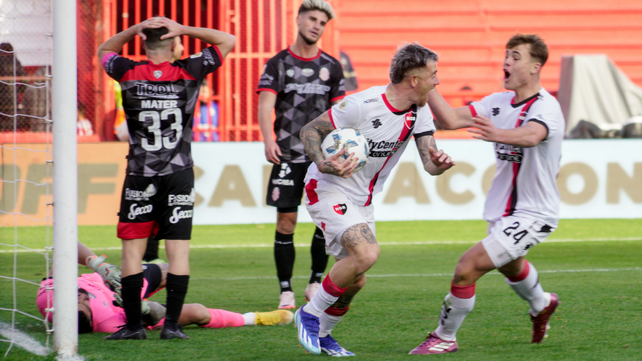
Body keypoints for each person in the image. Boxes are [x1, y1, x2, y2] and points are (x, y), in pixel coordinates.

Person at [294, 43, 455, 356]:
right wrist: (325, 162)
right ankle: (309, 315)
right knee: (367, 253)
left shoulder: (419, 112)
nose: (437, 82)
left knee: (355, 280)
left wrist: (440, 164)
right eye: (433, 75)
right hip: (327, 186)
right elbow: (309, 131)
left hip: (363, 199)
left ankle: (324, 335)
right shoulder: (362, 105)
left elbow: (429, 164)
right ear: (413, 80)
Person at [408, 34, 564, 355]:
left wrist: (498, 133)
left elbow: (533, 135)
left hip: (535, 213)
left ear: (535, 67)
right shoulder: (497, 102)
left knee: (467, 268)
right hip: (503, 211)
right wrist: (427, 81)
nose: (507, 61)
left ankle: (444, 337)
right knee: (511, 266)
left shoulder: (547, 107)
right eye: (506, 54)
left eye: (516, 56)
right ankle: (542, 303)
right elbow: (449, 119)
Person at [98, 17, 235, 340]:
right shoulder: (189, 70)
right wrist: (184, 28)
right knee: (179, 253)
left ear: (144, 43)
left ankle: (133, 327)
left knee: (132, 254)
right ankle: (172, 326)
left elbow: (104, 49)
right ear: (173, 43)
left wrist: (133, 31)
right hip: (178, 175)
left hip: (140, 175)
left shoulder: (127, 71)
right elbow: (227, 39)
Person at [257, 0, 345, 310]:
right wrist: (269, 139)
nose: (316, 26)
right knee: (286, 223)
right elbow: (266, 104)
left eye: (322, 22)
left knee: (324, 222)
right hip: (288, 154)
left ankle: (314, 282)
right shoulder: (278, 63)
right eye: (312, 19)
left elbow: (338, 113)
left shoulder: (332, 67)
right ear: (298, 19)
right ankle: (285, 290)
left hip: (320, 157)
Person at [36, 243, 293, 334]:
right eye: (81, 300)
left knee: (172, 271)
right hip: (129, 302)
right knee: (198, 313)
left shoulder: (49, 297)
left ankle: (150, 271)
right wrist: (144, 307)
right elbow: (156, 315)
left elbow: (65, 244)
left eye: (75, 295)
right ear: (90, 317)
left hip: (114, 280)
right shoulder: (109, 321)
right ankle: (257, 318)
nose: (78, 294)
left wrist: (99, 266)